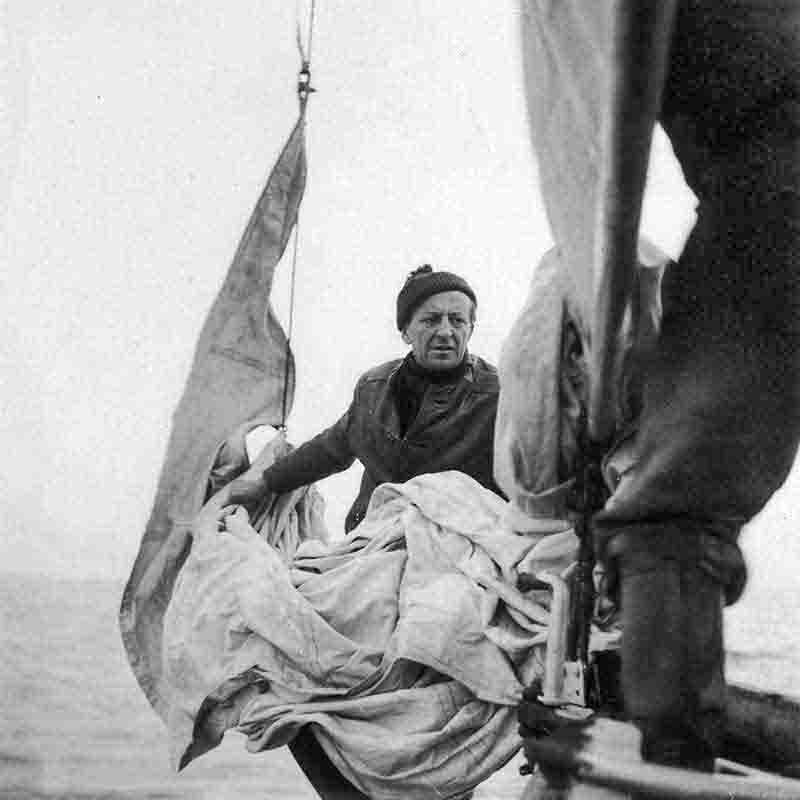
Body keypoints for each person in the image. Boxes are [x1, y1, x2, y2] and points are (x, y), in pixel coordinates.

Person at [220, 264, 503, 530]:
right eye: (430, 320)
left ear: (471, 328)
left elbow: (531, 471)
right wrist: (266, 481)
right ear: (405, 331)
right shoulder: (374, 389)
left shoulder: (498, 395)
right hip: (373, 535)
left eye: (457, 320)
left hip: (459, 542)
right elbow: (330, 449)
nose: (445, 332)